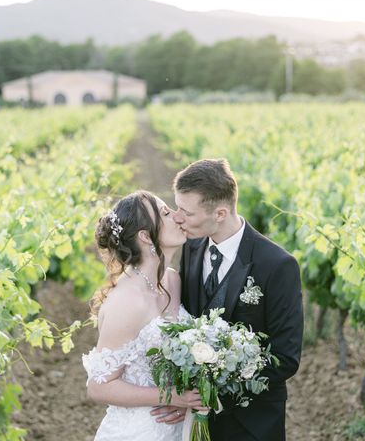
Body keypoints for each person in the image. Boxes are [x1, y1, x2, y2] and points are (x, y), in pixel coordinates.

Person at [151, 158, 304, 441]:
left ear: (220, 213)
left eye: (187, 212)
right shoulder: (192, 246)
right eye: (176, 208)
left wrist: (211, 396)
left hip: (252, 422)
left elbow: (285, 357)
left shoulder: (278, 265)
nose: (177, 218)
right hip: (192, 421)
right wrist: (186, 397)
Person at [82, 190, 205, 440]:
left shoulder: (171, 280)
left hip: (176, 428)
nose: (178, 217)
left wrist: (183, 399)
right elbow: (98, 386)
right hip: (138, 431)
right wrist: (171, 397)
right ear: (146, 236)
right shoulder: (127, 302)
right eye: (166, 213)